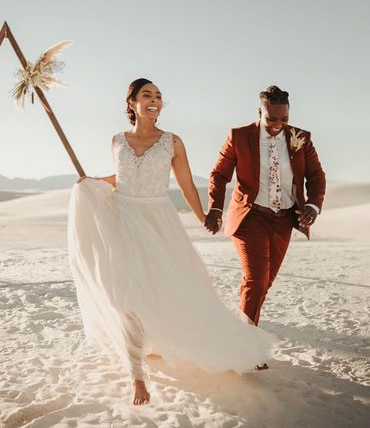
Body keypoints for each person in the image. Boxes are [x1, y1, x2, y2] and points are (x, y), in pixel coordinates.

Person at [68, 78, 275, 406]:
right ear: (132, 102)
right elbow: (121, 179)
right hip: (123, 220)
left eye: (159, 96)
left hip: (158, 222)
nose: (154, 100)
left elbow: (186, 185)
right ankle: (137, 376)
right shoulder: (116, 140)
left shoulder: (172, 142)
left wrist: (204, 216)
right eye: (147, 95)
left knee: (180, 289)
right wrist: (92, 181)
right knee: (127, 296)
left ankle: (233, 347)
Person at [205, 86, 326, 345]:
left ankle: (240, 328)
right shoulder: (238, 136)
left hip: (284, 220)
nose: (278, 125)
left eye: (284, 119)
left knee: (264, 282)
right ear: (259, 112)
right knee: (256, 280)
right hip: (251, 218)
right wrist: (215, 208)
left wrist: (313, 206)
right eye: (271, 119)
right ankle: (247, 345)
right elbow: (219, 174)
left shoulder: (301, 137)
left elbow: (315, 175)